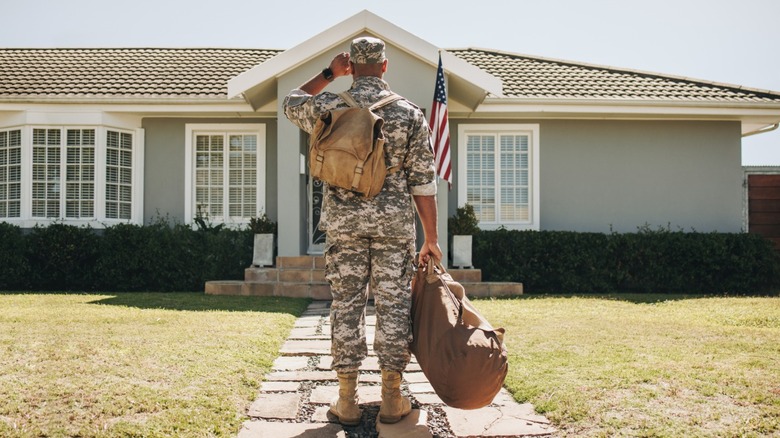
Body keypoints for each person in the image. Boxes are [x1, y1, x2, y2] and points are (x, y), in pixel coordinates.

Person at [283, 36, 442, 425]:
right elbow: (423, 182)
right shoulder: (408, 113)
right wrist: (432, 239)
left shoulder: (328, 105)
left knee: (346, 307)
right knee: (393, 308)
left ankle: (347, 399)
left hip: (344, 227)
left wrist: (327, 74)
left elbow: (290, 101)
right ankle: (391, 398)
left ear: (350, 65)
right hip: (393, 230)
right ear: (385, 67)